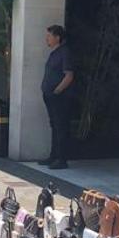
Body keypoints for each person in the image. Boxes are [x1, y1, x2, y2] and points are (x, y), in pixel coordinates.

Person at [39, 25, 74, 170]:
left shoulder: (64, 52)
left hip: (60, 97)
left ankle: (61, 158)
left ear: (57, 37)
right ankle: (53, 156)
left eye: (49, 36)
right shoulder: (54, 53)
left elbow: (69, 75)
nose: (47, 39)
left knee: (60, 126)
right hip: (49, 95)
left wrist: (57, 91)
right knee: (54, 125)